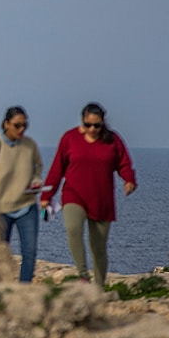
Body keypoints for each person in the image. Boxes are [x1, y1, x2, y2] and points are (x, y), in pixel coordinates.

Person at [40, 102, 138, 288]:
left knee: (98, 247)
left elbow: (124, 163)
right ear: (82, 122)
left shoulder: (112, 140)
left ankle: (99, 287)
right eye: (88, 125)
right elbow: (56, 169)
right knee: (73, 228)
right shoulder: (69, 139)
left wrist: (129, 180)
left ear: (103, 124)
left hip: (102, 200)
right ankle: (83, 274)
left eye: (97, 125)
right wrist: (46, 195)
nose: (92, 129)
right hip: (74, 195)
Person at [0, 105, 45, 283]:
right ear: (6, 124)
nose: (22, 129)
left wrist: (36, 182)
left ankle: (24, 290)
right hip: (0, 209)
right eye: (17, 125)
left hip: (26, 206)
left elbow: (37, 167)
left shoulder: (30, 145)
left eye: (25, 125)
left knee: (29, 252)